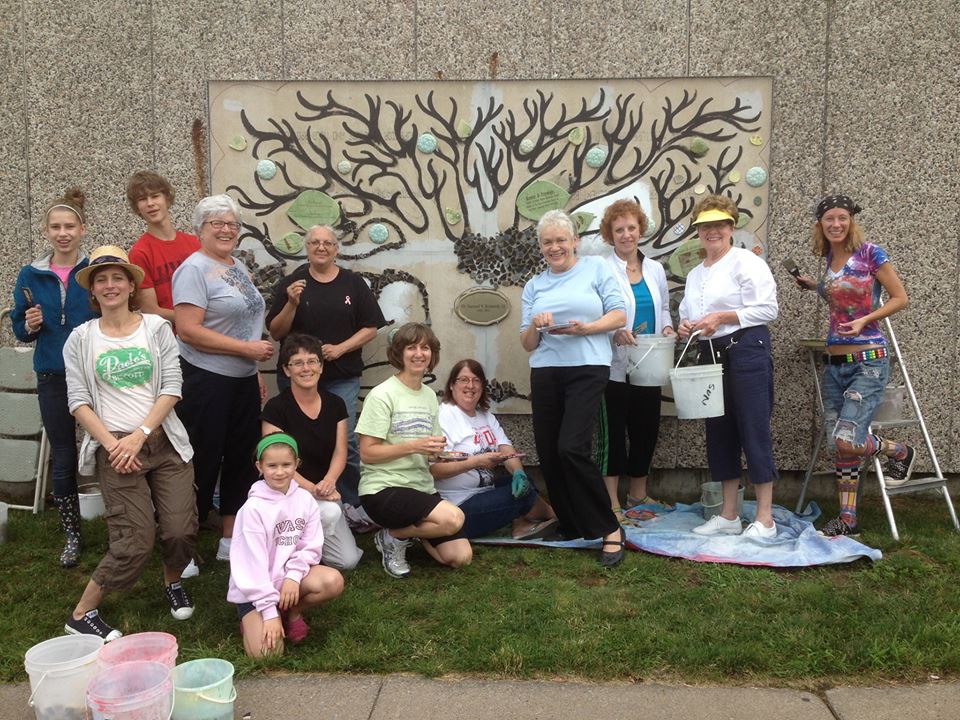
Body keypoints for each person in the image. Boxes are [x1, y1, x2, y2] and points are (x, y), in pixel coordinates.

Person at [62, 246, 197, 641]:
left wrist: (140, 435)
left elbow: (172, 387)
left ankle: (172, 581)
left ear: (131, 284)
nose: (109, 285)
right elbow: (78, 401)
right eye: (101, 279)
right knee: (135, 539)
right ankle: (81, 613)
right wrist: (113, 444)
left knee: (179, 530)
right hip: (116, 449)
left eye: (117, 277)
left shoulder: (156, 329)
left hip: (162, 441)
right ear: (93, 290)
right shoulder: (81, 339)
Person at [794, 195, 914, 536]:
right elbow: (844, 297)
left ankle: (900, 450)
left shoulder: (870, 253)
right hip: (835, 363)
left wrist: (866, 321)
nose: (836, 224)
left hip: (869, 361)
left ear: (850, 221)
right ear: (821, 224)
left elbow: (900, 297)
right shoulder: (829, 258)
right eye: (829, 219)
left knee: (847, 438)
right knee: (839, 445)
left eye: (841, 218)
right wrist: (816, 287)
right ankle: (848, 520)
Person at [519, 210, 627, 567]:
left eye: (561, 240)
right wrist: (535, 323)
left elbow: (619, 315)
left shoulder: (596, 269)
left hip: (587, 367)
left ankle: (610, 527)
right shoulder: (534, 285)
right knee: (550, 452)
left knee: (572, 448)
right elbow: (527, 343)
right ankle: (571, 522)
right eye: (547, 242)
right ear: (541, 246)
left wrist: (587, 329)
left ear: (575, 241)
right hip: (546, 371)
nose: (555, 247)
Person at [173, 194, 274, 562]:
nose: (227, 229)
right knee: (202, 459)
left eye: (232, 223)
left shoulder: (238, 267)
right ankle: (182, 544)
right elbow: (187, 330)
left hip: (243, 380)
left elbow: (247, 325)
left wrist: (255, 368)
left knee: (240, 459)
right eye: (218, 223)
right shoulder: (193, 269)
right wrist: (246, 351)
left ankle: (229, 541)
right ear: (200, 229)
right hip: (206, 380)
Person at [677, 195, 779, 538]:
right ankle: (729, 515)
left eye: (719, 224)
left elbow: (768, 309)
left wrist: (724, 316)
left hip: (747, 349)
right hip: (711, 354)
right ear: (698, 231)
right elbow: (689, 315)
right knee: (719, 434)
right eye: (705, 226)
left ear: (732, 227)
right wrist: (685, 326)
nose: (712, 231)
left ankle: (765, 518)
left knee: (753, 429)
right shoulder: (694, 274)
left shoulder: (747, 263)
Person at [266, 224, 386, 506]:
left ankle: (352, 505)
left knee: (346, 444)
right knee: (293, 442)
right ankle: (299, 498)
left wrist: (341, 348)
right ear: (306, 248)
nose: (321, 247)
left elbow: (371, 327)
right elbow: (276, 332)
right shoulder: (292, 282)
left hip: (340, 376)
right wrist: (292, 303)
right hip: (298, 376)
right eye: (315, 242)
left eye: (328, 243)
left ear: (336, 249)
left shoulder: (352, 283)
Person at [12, 188, 96, 568]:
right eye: (56, 227)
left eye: (70, 226)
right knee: (63, 456)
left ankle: (126, 527)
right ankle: (72, 535)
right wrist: (27, 324)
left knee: (111, 448)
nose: (63, 233)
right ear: (46, 231)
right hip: (52, 375)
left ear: (82, 229)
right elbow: (20, 328)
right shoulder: (31, 274)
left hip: (96, 375)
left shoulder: (93, 270)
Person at [356, 322, 473, 578]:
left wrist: (436, 453)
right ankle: (394, 535)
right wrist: (413, 446)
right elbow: (367, 453)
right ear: (399, 353)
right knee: (453, 519)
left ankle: (406, 531)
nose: (419, 353)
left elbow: (431, 449)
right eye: (411, 347)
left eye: (425, 347)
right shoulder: (382, 394)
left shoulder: (430, 396)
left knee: (459, 557)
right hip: (383, 489)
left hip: (420, 487)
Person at [228, 433, 344, 657]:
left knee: (332, 581)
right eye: (272, 465)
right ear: (259, 466)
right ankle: (260, 615)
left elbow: (311, 546)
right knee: (266, 656)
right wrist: (269, 613)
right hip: (256, 589)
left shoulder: (305, 500)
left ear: (296, 465)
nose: (280, 472)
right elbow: (251, 567)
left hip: (289, 579)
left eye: (286, 465)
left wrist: (293, 577)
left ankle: (292, 611)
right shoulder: (252, 509)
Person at [596, 199, 675, 515]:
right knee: (614, 432)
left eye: (631, 228)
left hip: (649, 362)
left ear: (640, 229)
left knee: (646, 429)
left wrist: (667, 328)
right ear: (610, 234)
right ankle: (611, 501)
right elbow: (595, 312)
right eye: (619, 230)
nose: (626, 234)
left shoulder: (655, 268)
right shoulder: (602, 268)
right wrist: (613, 331)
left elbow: (665, 308)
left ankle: (638, 495)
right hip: (614, 364)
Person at [261, 334, 363, 569]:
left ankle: (309, 544)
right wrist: (313, 489)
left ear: (321, 366)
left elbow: (340, 451)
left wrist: (329, 481)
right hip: (286, 492)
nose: (306, 368)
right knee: (323, 515)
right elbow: (274, 463)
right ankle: (291, 548)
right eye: (297, 363)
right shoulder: (276, 408)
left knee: (347, 561)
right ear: (287, 371)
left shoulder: (336, 404)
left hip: (324, 491)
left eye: (312, 361)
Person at [431, 359, 557, 539]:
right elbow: (435, 470)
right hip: (457, 507)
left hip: (483, 492)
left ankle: (521, 523)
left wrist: (518, 473)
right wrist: (477, 462)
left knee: (522, 481)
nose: (471, 386)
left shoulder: (485, 415)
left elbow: (506, 448)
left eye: (476, 380)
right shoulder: (445, 416)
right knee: (519, 495)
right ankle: (555, 516)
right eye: (463, 380)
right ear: (452, 385)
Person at [126, 171, 201, 324]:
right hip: (169, 339)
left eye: (155, 196)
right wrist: (197, 320)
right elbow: (151, 310)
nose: (150, 203)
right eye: (142, 199)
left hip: (207, 336)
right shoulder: (139, 253)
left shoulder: (196, 243)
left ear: (167, 198)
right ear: (137, 207)